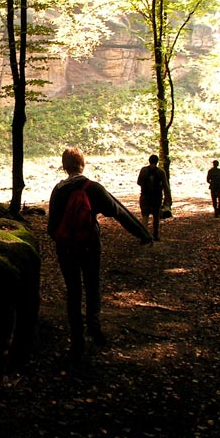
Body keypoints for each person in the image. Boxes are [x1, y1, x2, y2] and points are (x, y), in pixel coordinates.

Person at [48, 146, 152, 362]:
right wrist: (143, 234)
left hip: (66, 248)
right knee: (92, 285)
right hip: (89, 245)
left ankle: (77, 340)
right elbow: (119, 211)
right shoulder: (92, 188)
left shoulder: (58, 190)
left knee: (73, 290)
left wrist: (65, 238)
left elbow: (51, 228)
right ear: (82, 164)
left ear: (64, 166)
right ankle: (94, 327)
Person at [137, 154, 172, 241]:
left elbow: (138, 182)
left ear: (149, 161)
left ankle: (144, 235)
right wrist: (169, 197)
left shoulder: (143, 170)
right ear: (157, 161)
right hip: (157, 197)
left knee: (145, 216)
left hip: (145, 196)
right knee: (156, 215)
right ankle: (155, 234)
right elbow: (165, 186)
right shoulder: (161, 171)